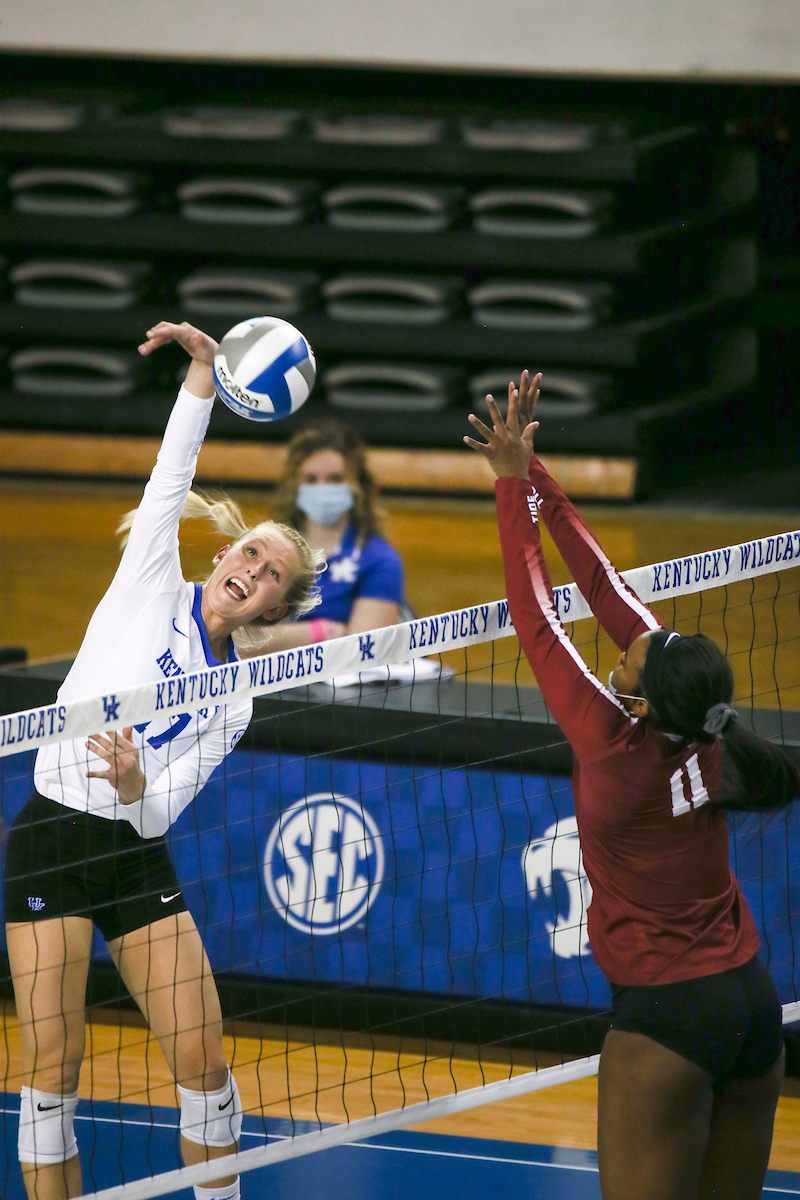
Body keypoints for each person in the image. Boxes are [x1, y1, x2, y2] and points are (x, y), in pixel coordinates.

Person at [3, 321, 323, 1200]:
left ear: (270, 606)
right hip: (54, 843)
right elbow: (170, 474)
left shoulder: (237, 697)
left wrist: (140, 785)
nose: (251, 568)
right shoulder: (151, 579)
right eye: (249, 550)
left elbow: (159, 813)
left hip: (132, 851)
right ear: (221, 553)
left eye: (269, 575)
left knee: (203, 1058)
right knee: (54, 1066)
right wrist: (199, 379)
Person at [464, 371, 797, 1200]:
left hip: (668, 1021)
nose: (627, 644)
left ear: (643, 700)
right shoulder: (706, 720)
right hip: (753, 1008)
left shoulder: (614, 751)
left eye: (631, 656)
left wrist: (511, 492)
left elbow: (537, 613)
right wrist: (531, 469)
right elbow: (605, 587)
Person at [264, 418, 404, 650]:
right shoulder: (265, 551)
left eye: (335, 479)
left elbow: (360, 654)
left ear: (357, 484)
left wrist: (274, 639)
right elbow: (235, 640)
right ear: (295, 485)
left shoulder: (380, 561)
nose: (322, 489)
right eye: (311, 479)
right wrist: (321, 633)